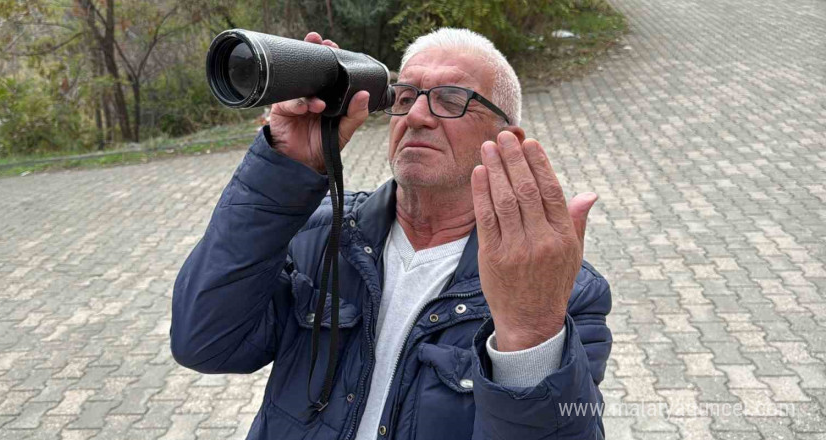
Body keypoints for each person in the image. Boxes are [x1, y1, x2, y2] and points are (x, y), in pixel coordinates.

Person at [171, 27, 612, 440]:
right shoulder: (320, 234)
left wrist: (530, 330)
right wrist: (283, 173)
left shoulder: (560, 288)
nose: (417, 115)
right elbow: (205, 344)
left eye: (451, 98)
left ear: (506, 139)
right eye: (404, 96)